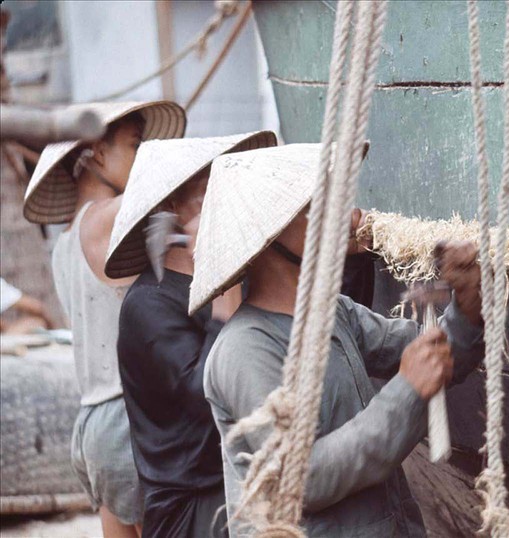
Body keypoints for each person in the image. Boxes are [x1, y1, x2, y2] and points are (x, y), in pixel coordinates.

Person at [189, 143, 485, 537]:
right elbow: (304, 479)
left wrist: (467, 308)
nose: (352, 215)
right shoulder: (245, 350)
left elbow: (435, 357)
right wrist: (407, 390)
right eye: (320, 204)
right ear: (272, 236)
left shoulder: (333, 312)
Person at [23, 101, 186, 537]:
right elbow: (168, 190)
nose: (145, 159)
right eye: (136, 146)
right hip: (130, 417)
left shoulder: (66, 242)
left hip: (94, 421)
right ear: (96, 153)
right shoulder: (106, 220)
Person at [106, 131, 277, 538]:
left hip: (245, 480)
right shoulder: (148, 305)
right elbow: (208, 402)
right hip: (194, 508)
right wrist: (223, 309)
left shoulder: (244, 278)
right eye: (211, 191)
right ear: (172, 208)